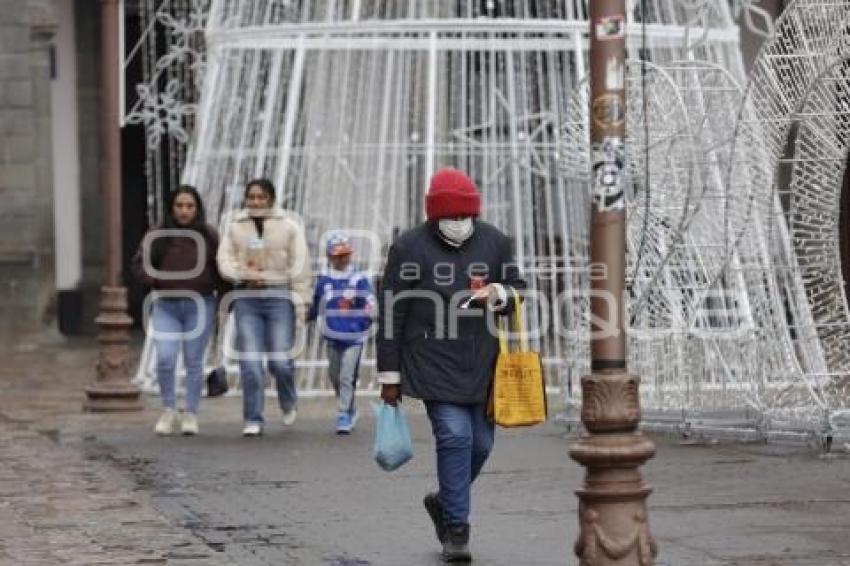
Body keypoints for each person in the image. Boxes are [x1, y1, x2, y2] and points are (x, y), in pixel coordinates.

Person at [376, 167, 524, 562]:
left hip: (482, 361)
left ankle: (443, 501)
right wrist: (389, 377)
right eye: (451, 217)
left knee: (482, 443)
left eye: (465, 216)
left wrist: (500, 292)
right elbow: (391, 312)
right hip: (431, 360)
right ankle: (457, 531)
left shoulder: (495, 241)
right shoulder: (408, 248)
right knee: (456, 437)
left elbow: (519, 290)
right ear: (434, 215)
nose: (459, 224)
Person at [217, 178, 312, 437]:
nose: (255, 202)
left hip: (279, 296)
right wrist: (241, 272)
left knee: (281, 361)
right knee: (249, 362)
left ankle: (287, 399)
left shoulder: (289, 226)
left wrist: (302, 303)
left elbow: (301, 267)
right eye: (251, 197)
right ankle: (253, 417)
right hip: (247, 297)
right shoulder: (235, 226)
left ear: (271, 199)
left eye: (261, 197)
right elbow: (224, 260)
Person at [131, 185, 222, 436]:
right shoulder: (158, 235)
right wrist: (156, 280)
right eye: (179, 206)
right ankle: (168, 408)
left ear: (197, 209)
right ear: (172, 208)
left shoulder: (209, 235)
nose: (184, 211)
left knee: (194, 361)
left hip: (200, 303)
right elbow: (140, 263)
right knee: (165, 358)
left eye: (189, 206)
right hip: (166, 305)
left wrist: (226, 298)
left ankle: (191, 412)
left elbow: (220, 268)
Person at [307, 232, 376, 434]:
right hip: (332, 337)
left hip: (354, 337)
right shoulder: (324, 280)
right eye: (337, 255)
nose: (342, 259)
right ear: (329, 257)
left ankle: (344, 413)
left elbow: (369, 303)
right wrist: (307, 317)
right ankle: (350, 406)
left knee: (347, 376)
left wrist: (363, 322)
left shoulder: (359, 279)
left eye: (345, 254)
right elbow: (316, 303)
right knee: (335, 376)